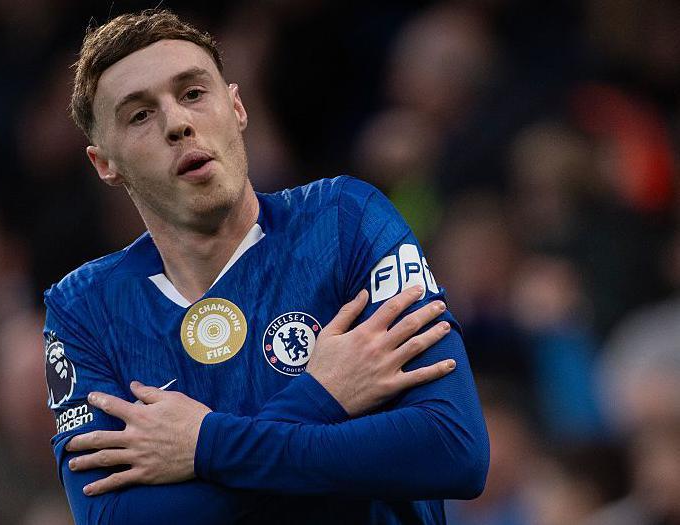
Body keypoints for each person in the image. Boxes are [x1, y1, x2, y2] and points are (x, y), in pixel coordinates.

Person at [43, 9, 488, 524]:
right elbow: (118, 519)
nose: (178, 123)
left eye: (192, 93)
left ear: (236, 107)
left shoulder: (345, 222)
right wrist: (319, 399)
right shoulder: (85, 309)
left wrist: (206, 444)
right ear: (105, 164)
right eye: (139, 115)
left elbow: (453, 447)